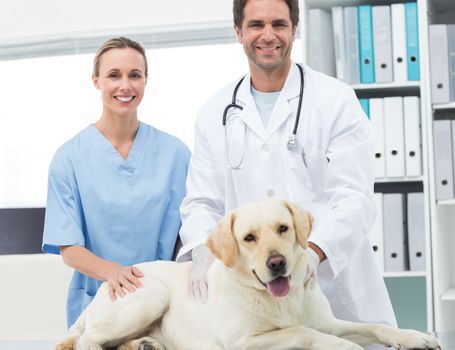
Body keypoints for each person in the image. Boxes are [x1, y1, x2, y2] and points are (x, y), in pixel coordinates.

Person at [177, 0, 396, 349]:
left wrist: (312, 252)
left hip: (334, 287)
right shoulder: (213, 113)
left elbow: (354, 197)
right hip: (258, 310)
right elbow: (202, 202)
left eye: (279, 24)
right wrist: (205, 252)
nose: (268, 35)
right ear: (238, 31)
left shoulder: (335, 100)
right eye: (256, 25)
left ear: (295, 29)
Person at [42, 37, 191, 328]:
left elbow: (191, 231)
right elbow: (69, 247)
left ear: (146, 80)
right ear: (96, 81)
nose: (125, 85)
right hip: (97, 306)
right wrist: (114, 273)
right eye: (114, 75)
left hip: (163, 305)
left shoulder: (176, 154)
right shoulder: (68, 159)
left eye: (135, 75)